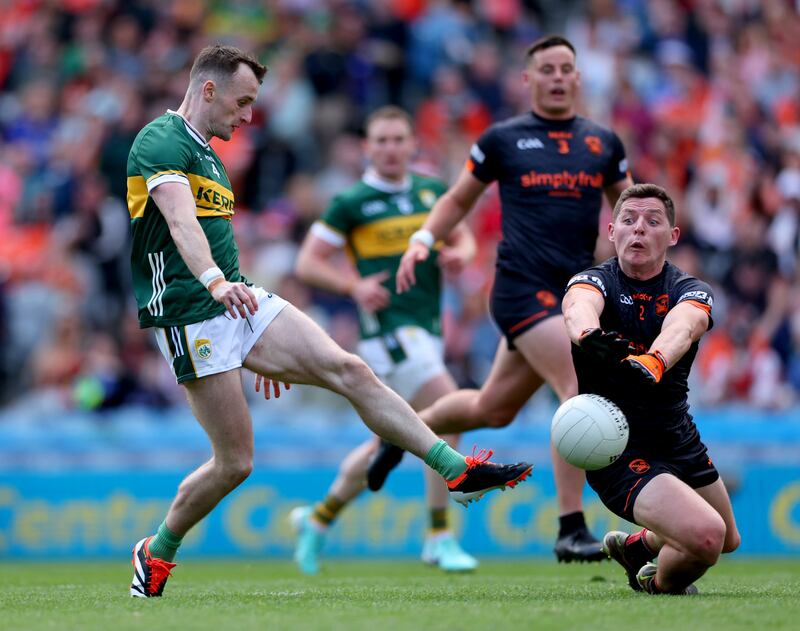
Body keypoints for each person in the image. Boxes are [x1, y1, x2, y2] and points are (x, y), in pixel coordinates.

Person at [125, 45, 532, 598]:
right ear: (209, 89)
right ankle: (156, 551)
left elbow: (216, 236)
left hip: (235, 302)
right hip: (190, 311)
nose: (248, 117)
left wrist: (254, 332)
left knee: (350, 370)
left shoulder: (212, 155)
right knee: (235, 462)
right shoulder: (161, 140)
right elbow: (179, 222)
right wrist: (219, 286)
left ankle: (454, 468)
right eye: (243, 103)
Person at [368, 34, 633, 562]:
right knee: (577, 386)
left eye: (566, 68)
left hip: (576, 293)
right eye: (547, 69)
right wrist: (422, 242)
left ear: (578, 78)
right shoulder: (503, 140)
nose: (557, 77)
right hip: (520, 290)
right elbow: (457, 200)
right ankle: (570, 528)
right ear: (528, 79)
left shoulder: (604, 144)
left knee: (493, 409)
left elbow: (630, 208)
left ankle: (402, 434)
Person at [270, 105, 478, 574]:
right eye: (380, 140)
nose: (389, 148)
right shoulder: (353, 202)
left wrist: (460, 256)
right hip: (387, 334)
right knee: (449, 408)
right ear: (367, 147)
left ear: (411, 144)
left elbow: (464, 238)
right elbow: (307, 263)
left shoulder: (430, 191)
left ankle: (318, 520)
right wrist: (353, 286)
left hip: (428, 329)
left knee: (389, 443)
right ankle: (439, 534)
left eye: (397, 139)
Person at [562, 183, 740, 594]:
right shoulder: (593, 281)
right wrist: (589, 334)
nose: (638, 229)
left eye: (652, 221)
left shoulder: (689, 289)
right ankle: (659, 586)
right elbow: (577, 308)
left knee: (728, 540)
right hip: (616, 446)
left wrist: (655, 361)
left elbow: (686, 324)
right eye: (628, 220)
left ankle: (637, 548)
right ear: (612, 231)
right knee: (707, 538)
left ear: (672, 236)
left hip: (675, 434)